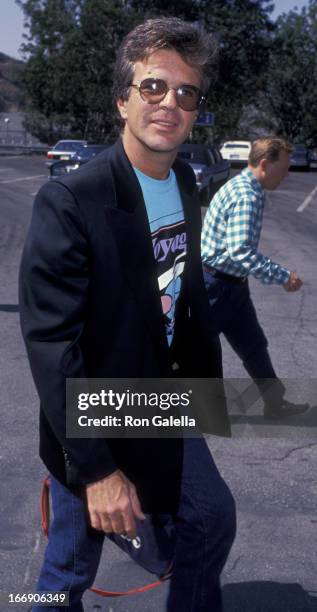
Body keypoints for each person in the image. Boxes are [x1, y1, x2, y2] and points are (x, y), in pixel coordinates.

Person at [19, 17, 236, 612]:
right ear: (122, 99)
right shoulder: (70, 200)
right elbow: (51, 341)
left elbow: (183, 295)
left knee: (210, 520)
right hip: (93, 410)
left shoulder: (186, 181)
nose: (171, 102)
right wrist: (95, 471)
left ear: (196, 112)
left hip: (159, 399)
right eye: (153, 87)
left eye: (187, 93)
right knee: (66, 573)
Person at [201, 137, 309, 418]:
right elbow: (240, 252)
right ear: (264, 164)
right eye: (283, 169)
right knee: (195, 350)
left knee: (253, 344)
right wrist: (283, 276)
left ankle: (275, 403)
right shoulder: (246, 196)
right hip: (216, 285)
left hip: (231, 284)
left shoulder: (251, 189)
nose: (287, 175)